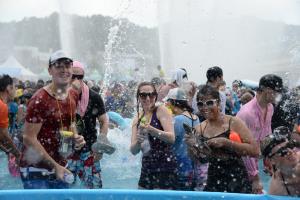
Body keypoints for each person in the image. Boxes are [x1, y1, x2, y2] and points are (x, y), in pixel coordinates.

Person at [19, 50, 86, 189]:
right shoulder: (40, 99)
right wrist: (55, 166)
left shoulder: (73, 94)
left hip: (61, 167)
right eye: (58, 66)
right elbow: (28, 138)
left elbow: (71, 122)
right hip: (36, 171)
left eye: (67, 66)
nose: (64, 70)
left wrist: (76, 137)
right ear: (50, 70)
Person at [186, 85, 259, 193]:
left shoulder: (233, 122)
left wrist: (227, 143)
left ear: (219, 103)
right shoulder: (199, 128)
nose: (205, 107)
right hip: (214, 181)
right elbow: (200, 159)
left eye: (209, 103)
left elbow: (255, 151)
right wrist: (193, 147)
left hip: (237, 180)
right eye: (200, 104)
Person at [236, 74, 283, 194]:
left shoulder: (270, 107)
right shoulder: (247, 113)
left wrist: (269, 158)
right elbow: (244, 149)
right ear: (267, 90)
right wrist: (255, 178)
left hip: (258, 161)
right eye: (277, 92)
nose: (279, 95)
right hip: (241, 166)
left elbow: (267, 136)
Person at [67, 61, 109, 189]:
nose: (76, 80)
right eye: (73, 76)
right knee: (64, 189)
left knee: (94, 189)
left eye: (79, 77)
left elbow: (104, 121)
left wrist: (100, 146)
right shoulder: (60, 96)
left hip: (90, 149)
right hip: (67, 149)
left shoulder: (94, 97)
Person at [130, 81, 177, 189]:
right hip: (147, 169)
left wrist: (152, 130)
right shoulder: (137, 119)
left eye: (151, 95)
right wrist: (138, 141)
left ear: (155, 96)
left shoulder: (161, 110)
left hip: (165, 167)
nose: (147, 98)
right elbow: (133, 150)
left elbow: (171, 138)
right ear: (138, 97)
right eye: (143, 95)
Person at [165, 88, 200, 190]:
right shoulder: (195, 118)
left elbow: (168, 141)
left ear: (172, 102)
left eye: (168, 102)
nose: (166, 104)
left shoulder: (177, 120)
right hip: (192, 166)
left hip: (178, 166)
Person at [261, 126, 300, 196]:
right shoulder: (277, 189)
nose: (290, 151)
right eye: (283, 151)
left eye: (290, 146)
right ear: (271, 161)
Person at [0, 74, 21, 161]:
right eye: (15, 87)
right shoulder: (2, 106)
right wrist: (18, 154)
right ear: (8, 88)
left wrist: (7, 151)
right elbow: (3, 136)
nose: (16, 90)